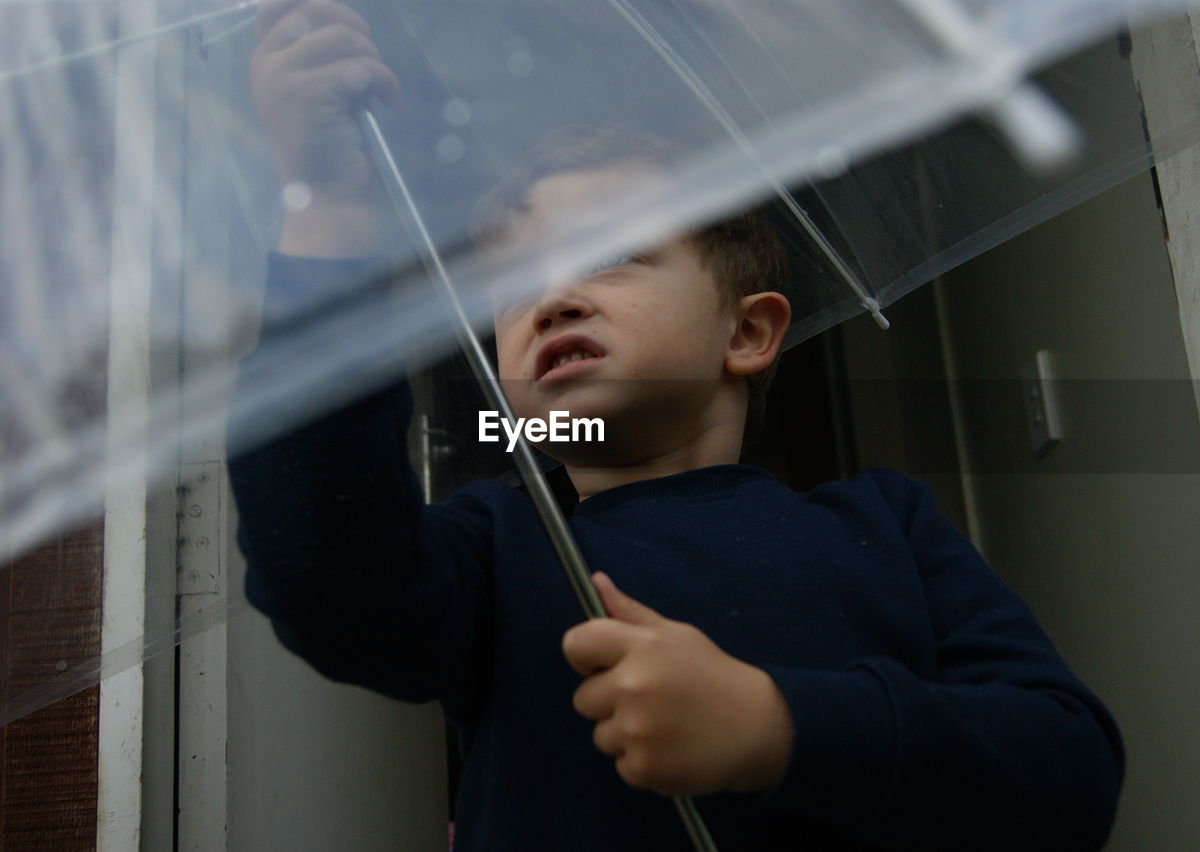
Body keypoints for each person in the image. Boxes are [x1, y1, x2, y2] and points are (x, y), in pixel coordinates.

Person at [231, 1, 1125, 848]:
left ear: (747, 331)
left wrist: (777, 728)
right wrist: (328, 210)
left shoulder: (886, 526)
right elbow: (327, 580)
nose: (553, 298)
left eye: (613, 252)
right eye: (510, 287)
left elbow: (1068, 768)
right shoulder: (494, 548)